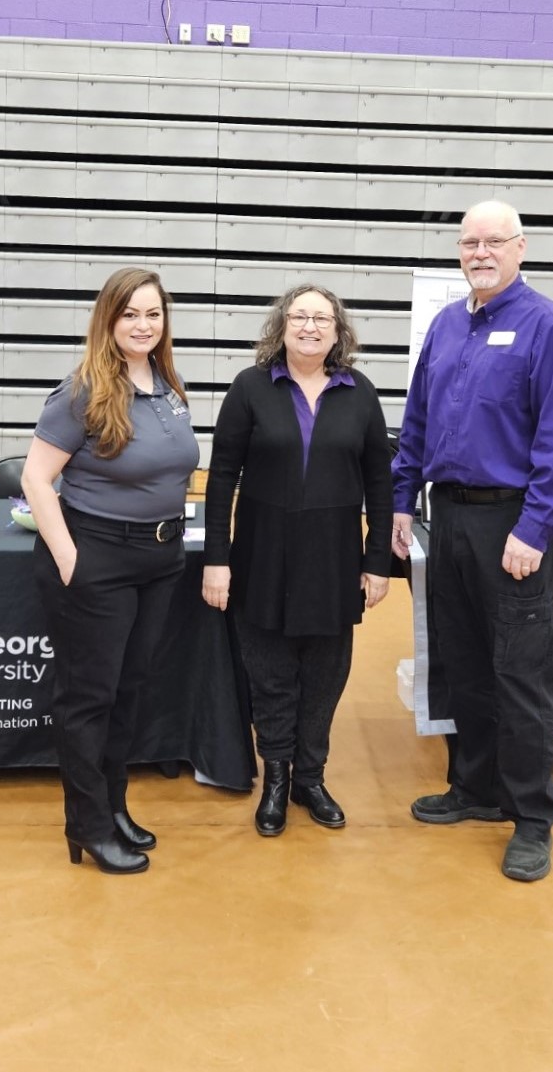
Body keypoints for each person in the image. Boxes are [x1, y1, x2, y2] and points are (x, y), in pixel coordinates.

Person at [390, 200, 553, 883]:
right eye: (468, 241)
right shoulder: (446, 326)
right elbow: (415, 422)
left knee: (521, 675)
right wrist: (399, 501)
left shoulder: (548, 328)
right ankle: (474, 789)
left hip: (515, 525)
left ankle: (531, 817)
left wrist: (533, 527)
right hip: (448, 518)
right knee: (465, 664)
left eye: (493, 241)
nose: (479, 252)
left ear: (519, 247)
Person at [21, 267, 200, 875]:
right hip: (98, 558)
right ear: (108, 319)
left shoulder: (167, 383)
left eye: (153, 314)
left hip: (159, 559)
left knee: (129, 693)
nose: (143, 325)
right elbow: (35, 479)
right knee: (88, 700)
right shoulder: (83, 390)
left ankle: (114, 806)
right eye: (130, 314)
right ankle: (89, 825)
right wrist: (73, 560)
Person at [201, 285, 393, 837]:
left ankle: (312, 776)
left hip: (334, 559)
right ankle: (278, 778)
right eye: (300, 316)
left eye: (322, 318)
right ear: (281, 326)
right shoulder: (249, 388)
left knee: (326, 674)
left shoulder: (360, 393)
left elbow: (380, 485)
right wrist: (218, 559)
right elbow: (221, 480)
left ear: (338, 331)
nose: (310, 326)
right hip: (262, 555)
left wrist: (376, 562)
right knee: (271, 672)